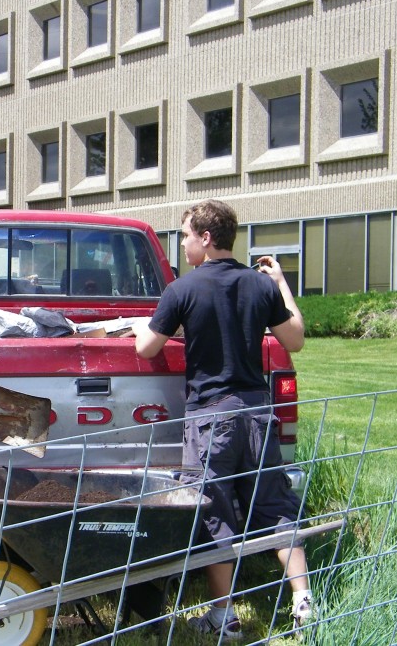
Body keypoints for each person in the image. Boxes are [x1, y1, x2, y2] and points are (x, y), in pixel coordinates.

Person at [132, 199, 314, 641]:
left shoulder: (183, 290)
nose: (184, 245)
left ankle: (224, 616)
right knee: (275, 505)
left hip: (211, 418)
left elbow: (147, 349)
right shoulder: (259, 285)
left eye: (187, 236)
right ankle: (304, 602)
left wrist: (140, 325)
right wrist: (281, 282)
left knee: (214, 512)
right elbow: (296, 339)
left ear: (206, 238)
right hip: (256, 414)